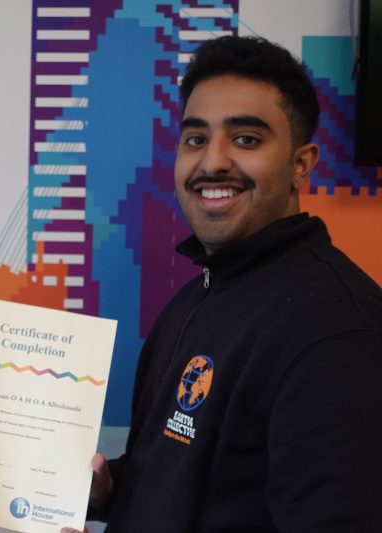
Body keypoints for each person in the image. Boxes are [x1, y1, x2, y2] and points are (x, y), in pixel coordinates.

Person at [80, 35, 382, 532]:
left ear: (300, 164)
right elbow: (194, 485)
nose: (212, 162)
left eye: (245, 139)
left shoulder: (338, 334)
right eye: (196, 138)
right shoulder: (198, 297)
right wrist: (113, 490)